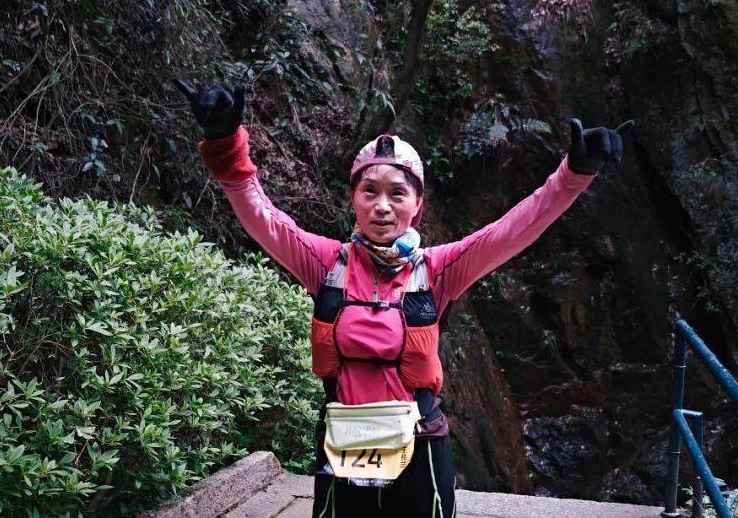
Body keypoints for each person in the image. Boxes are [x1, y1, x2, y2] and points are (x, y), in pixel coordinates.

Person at [175, 79, 633, 518]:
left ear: (417, 206)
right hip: (345, 439)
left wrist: (574, 174)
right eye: (369, 191)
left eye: (398, 193)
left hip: (420, 444)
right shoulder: (326, 263)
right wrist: (225, 144)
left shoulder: (437, 270)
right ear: (353, 199)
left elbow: (513, 229)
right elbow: (264, 219)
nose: (382, 205)